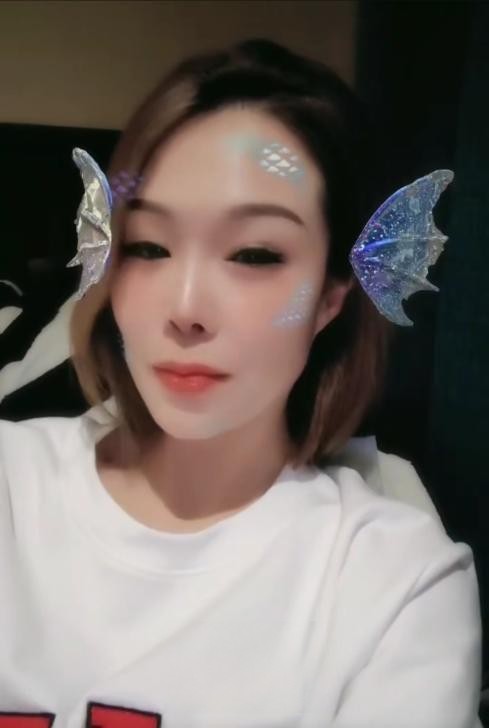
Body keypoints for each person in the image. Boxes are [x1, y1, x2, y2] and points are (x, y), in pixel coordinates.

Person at [0, 38, 482, 727]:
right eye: (147, 246)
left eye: (254, 254)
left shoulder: (392, 587)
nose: (186, 308)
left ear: (332, 295)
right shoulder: (11, 492)